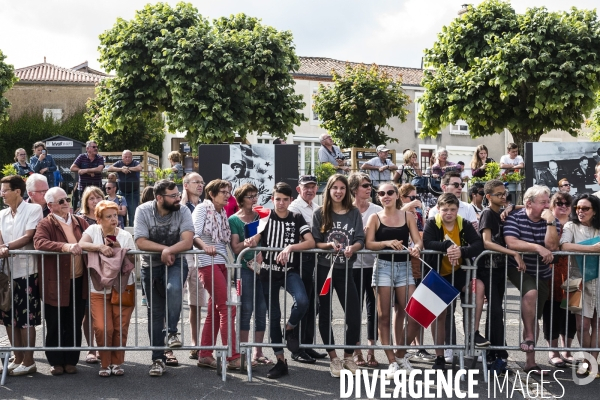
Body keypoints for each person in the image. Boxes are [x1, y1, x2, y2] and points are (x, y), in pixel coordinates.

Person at [245, 182, 316, 379]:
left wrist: (290, 248)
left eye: (285, 199)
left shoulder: (296, 217)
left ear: (291, 200)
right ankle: (280, 361)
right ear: (272, 199)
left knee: (302, 301)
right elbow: (253, 237)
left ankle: (290, 328)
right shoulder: (266, 216)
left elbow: (310, 242)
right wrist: (253, 244)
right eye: (278, 199)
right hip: (268, 273)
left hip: (289, 270)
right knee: (273, 316)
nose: (281, 203)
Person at [134, 179, 194, 377]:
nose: (178, 198)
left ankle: (172, 331)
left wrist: (169, 251)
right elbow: (140, 241)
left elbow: (187, 241)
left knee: (174, 289)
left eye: (178, 195)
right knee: (155, 312)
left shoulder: (183, 210)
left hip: (176, 261)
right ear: (159, 198)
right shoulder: (143, 210)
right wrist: (164, 250)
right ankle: (157, 359)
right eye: (173, 196)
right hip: (150, 265)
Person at [422, 193, 488, 372]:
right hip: (438, 274)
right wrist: (447, 247)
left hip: (459, 273)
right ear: (438, 209)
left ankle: (473, 334)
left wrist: (462, 251)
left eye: (452, 209)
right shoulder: (432, 222)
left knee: (478, 287)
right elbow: (427, 242)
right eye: (445, 210)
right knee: (440, 315)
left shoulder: (463, 223)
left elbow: (478, 244)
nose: (449, 213)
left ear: (457, 210)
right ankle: (440, 356)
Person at [366, 182, 423, 377]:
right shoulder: (375, 217)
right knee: (383, 317)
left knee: (416, 314)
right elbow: (369, 243)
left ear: (397, 195)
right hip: (382, 267)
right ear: (378, 197)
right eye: (381, 193)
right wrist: (385, 243)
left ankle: (400, 355)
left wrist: (417, 247)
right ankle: (391, 361)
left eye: (390, 192)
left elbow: (418, 240)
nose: (386, 195)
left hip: (404, 268)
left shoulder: (407, 216)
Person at [312, 174, 364, 378]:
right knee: (325, 314)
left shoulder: (353, 213)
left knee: (354, 314)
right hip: (325, 270)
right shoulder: (320, 213)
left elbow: (360, 239)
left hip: (346, 269)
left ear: (347, 191)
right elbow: (315, 241)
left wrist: (354, 247)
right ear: (329, 190)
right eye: (335, 187)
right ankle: (333, 357)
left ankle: (348, 355)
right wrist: (328, 245)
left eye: (342, 188)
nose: (338, 191)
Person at [504, 185, 560, 375]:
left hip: (543, 272)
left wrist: (551, 223)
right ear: (529, 203)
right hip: (519, 268)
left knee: (533, 315)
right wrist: (537, 248)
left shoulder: (551, 220)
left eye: (548, 201)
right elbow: (511, 241)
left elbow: (552, 246)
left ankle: (530, 362)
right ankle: (528, 336)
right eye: (543, 202)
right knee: (531, 292)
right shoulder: (515, 218)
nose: (548, 205)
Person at [33, 187, 90, 376]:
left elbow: (93, 239)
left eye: (67, 199)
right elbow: (39, 242)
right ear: (50, 206)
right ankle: (56, 361)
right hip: (56, 282)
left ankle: (71, 360)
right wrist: (65, 246)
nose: (66, 203)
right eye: (61, 201)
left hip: (78, 280)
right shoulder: (45, 224)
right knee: (55, 322)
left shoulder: (80, 222)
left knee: (74, 322)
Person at [78, 200, 136, 377]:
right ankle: (105, 363)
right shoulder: (93, 230)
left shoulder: (125, 235)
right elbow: (81, 244)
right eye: (109, 216)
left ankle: (117, 362)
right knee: (103, 328)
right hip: (99, 289)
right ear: (99, 219)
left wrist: (121, 251)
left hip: (123, 288)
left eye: (116, 215)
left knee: (120, 328)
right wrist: (101, 247)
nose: (114, 220)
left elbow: (134, 262)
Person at [478, 179, 526, 375]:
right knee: (496, 311)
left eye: (504, 193)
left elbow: (528, 204)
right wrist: (512, 253)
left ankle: (495, 352)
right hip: (487, 268)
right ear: (488, 197)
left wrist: (512, 205)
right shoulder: (488, 213)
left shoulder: (502, 212)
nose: (503, 197)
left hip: (498, 269)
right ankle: (497, 354)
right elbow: (487, 242)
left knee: (496, 312)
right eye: (498, 194)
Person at [193, 179, 240, 370]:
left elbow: (226, 241)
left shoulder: (221, 212)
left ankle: (204, 354)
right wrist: (206, 247)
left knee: (216, 310)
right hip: (208, 263)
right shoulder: (203, 209)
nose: (227, 195)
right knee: (228, 308)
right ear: (211, 194)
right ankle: (233, 356)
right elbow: (194, 235)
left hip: (221, 263)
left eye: (228, 191)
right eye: (223, 191)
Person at [0, 175, 44, 376]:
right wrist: (3, 247)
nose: (2, 194)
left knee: (26, 318)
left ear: (17, 191)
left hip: (26, 271)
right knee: (9, 318)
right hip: (7, 273)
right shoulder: (1, 214)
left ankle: (29, 360)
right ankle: (17, 358)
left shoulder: (33, 209)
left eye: (5, 190)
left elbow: (29, 236)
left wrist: (6, 247)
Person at [287, 174, 328, 363]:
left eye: (313, 186)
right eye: (306, 187)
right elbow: (308, 235)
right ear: (298, 189)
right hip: (300, 259)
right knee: (302, 303)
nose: (310, 190)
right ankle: (296, 347)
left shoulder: (316, 207)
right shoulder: (295, 207)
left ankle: (306, 344)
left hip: (313, 258)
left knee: (313, 304)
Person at [228, 184, 271, 366]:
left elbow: (265, 239)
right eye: (249, 196)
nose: (254, 199)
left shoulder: (261, 217)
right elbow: (236, 247)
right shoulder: (234, 220)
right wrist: (249, 243)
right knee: (245, 310)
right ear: (240, 199)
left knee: (261, 311)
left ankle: (258, 352)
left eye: (255, 195)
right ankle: (243, 351)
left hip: (262, 268)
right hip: (244, 270)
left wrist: (259, 245)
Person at [559, 193, 600, 374]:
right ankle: (586, 360)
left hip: (599, 279)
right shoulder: (571, 225)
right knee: (582, 325)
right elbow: (564, 246)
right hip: (578, 280)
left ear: (595, 211)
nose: (580, 211)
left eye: (585, 208)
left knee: (598, 325)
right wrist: (592, 249)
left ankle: (593, 365)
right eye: (578, 208)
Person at [347, 172, 381, 368]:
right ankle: (356, 351)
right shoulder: (346, 210)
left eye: (370, 185)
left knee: (373, 311)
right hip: (352, 267)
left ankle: (371, 351)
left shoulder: (377, 210)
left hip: (373, 265)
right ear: (354, 190)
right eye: (365, 185)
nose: (369, 188)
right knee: (354, 311)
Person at [398, 183, 434, 360]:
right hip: (401, 263)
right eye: (411, 197)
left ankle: (419, 346)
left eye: (416, 197)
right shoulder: (398, 211)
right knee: (403, 308)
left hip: (418, 261)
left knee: (419, 304)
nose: (416, 200)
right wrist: (409, 206)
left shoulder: (418, 214)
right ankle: (401, 347)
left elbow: (422, 236)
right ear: (403, 198)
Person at [543, 192, 576, 368]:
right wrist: (511, 206)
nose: (563, 206)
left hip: (574, 272)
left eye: (567, 204)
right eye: (559, 203)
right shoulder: (547, 222)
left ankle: (567, 350)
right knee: (552, 312)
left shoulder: (576, 224)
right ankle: (553, 351)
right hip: (551, 273)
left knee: (570, 312)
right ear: (552, 205)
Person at [75, 186, 104, 364]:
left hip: (107, 268)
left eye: (98, 197)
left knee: (104, 311)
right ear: (86, 201)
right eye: (91, 198)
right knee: (88, 310)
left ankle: (103, 347)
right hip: (86, 269)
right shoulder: (80, 219)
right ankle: (91, 348)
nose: (95, 201)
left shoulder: (110, 215)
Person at [180, 172, 206, 359]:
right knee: (173, 303)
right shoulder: (179, 206)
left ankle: (195, 343)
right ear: (186, 184)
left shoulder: (205, 207)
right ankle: (168, 346)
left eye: (202, 182)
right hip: (181, 257)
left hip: (200, 258)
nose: (200, 185)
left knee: (196, 303)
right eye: (196, 182)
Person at [108, 150, 143, 226]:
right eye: (125, 157)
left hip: (133, 193)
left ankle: (132, 231)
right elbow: (109, 168)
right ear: (122, 157)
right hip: (121, 193)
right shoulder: (119, 163)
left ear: (132, 157)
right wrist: (121, 169)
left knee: (132, 213)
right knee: (120, 213)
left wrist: (128, 168)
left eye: (129, 157)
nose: (127, 158)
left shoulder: (135, 162)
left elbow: (139, 168)